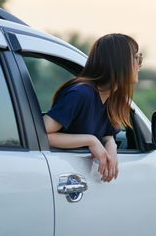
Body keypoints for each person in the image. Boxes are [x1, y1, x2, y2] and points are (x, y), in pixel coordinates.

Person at [43, 33, 142, 182]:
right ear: (120, 61)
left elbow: (107, 133)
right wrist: (90, 140)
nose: (140, 63)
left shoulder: (111, 97)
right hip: (58, 173)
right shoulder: (81, 93)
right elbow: (42, 133)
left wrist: (111, 145)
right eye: (136, 57)